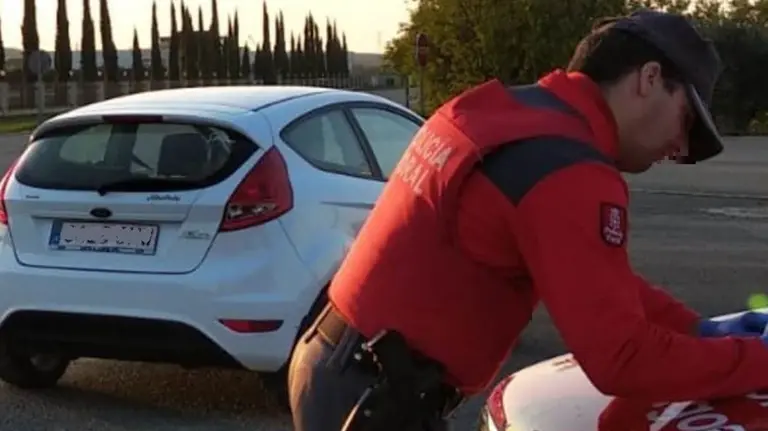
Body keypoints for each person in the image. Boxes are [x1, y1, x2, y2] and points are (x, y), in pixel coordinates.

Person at [287, 9, 768, 431]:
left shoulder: (502, 113)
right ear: (647, 79)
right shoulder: (569, 169)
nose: (681, 148)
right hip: (374, 399)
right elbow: (622, 359)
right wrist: (758, 361)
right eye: (686, 121)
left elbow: (588, 276)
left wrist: (696, 330)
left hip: (335, 364)